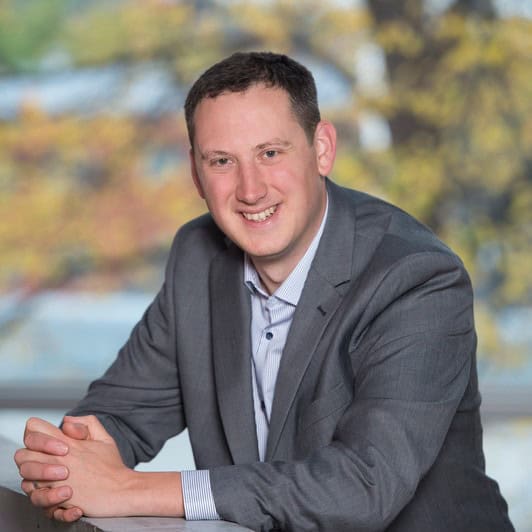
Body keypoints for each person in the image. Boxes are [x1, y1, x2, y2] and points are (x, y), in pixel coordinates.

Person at [14, 51, 514, 531]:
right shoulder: (199, 257)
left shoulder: (416, 278)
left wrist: (129, 491)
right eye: (222, 161)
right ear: (195, 173)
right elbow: (122, 413)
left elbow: (363, 485)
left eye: (270, 153)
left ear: (322, 149)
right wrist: (65, 469)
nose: (250, 190)